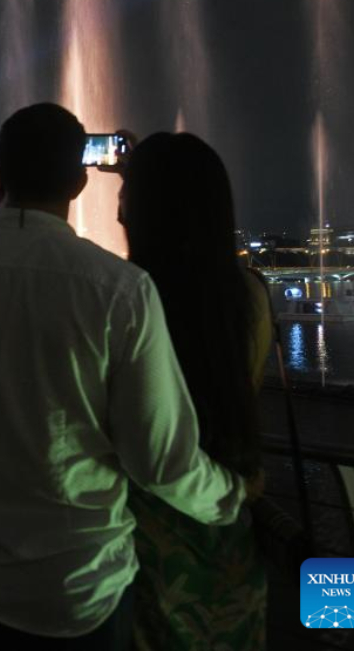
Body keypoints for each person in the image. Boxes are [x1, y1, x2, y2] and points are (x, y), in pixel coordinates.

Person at [0, 104, 258, 650]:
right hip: (87, 587)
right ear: (80, 182)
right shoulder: (121, 289)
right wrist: (231, 496)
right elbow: (159, 460)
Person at [119, 133, 270, 650]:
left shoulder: (127, 301)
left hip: (145, 546)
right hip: (231, 543)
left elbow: (149, 445)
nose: (117, 213)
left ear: (146, 211)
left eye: (127, 200)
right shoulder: (247, 295)